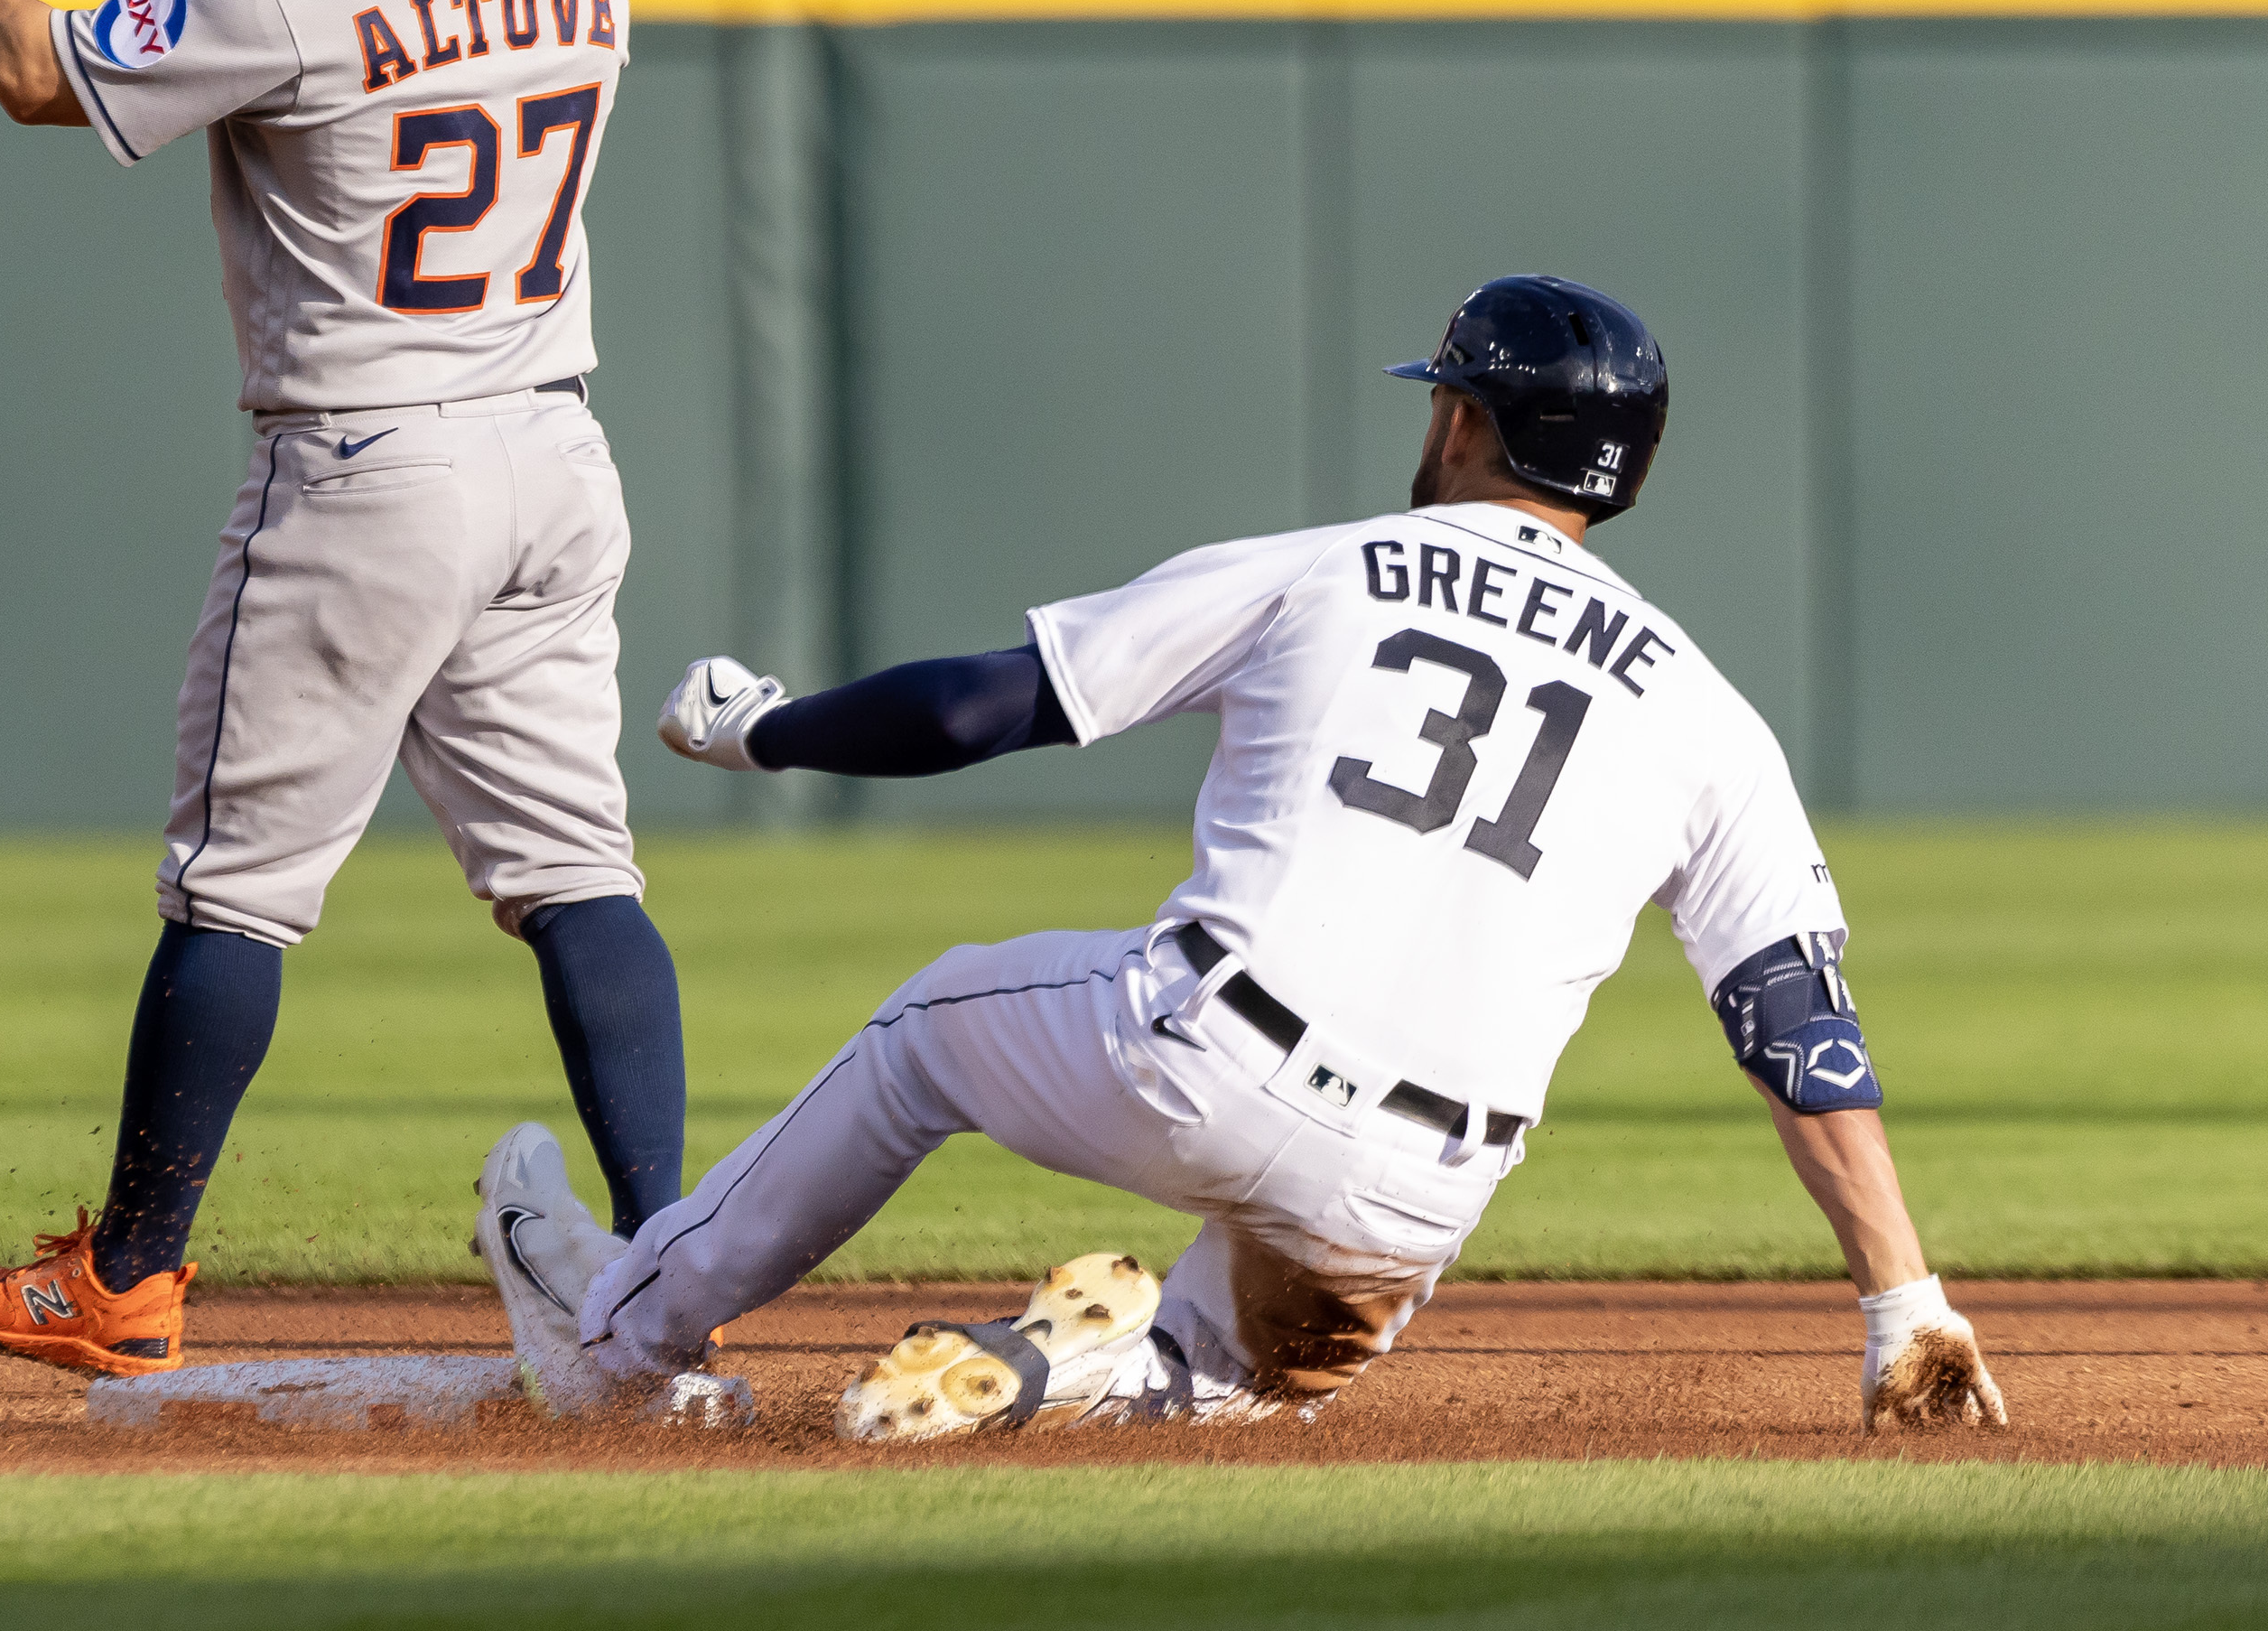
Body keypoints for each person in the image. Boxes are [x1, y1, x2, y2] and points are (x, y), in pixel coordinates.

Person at [476, 275, 2009, 1440]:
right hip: (1418, 1194)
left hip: (1193, 1057)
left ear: (1467, 423)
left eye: (1445, 400)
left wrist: (770, 731)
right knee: (1223, 1383)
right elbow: (1797, 1031)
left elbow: (981, 706)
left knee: (921, 1034)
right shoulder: (1711, 717)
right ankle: (1056, 1368)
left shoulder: (1326, 569)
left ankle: (621, 1342)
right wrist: (1903, 1300)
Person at [0, 0, 687, 1375]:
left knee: (237, 888)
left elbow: (35, 68)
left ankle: (133, 1278)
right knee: (578, 875)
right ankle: (671, 1270)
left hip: (368, 466)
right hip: (553, 454)